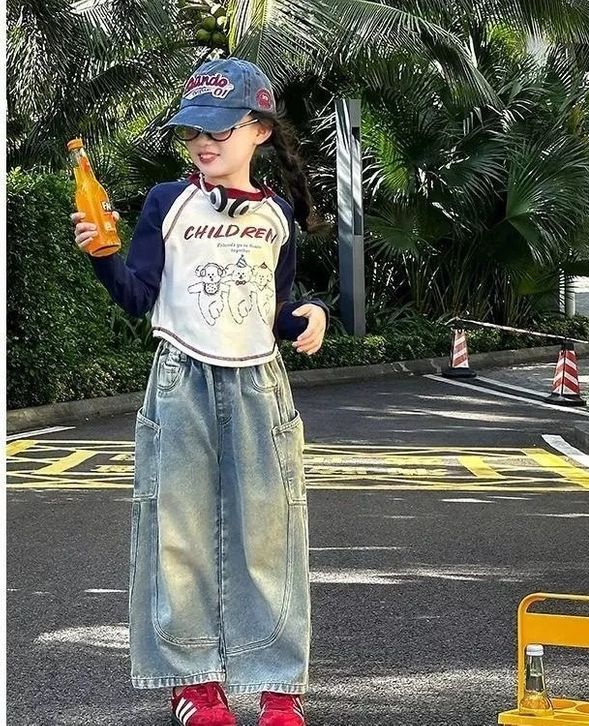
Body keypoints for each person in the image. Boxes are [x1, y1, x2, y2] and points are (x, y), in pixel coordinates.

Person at [71, 58, 328, 726]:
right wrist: (102, 256)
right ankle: (194, 684)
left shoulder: (277, 217)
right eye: (193, 132)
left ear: (260, 131)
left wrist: (309, 315)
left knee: (271, 533)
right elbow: (139, 296)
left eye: (219, 130)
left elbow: (275, 309)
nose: (203, 143)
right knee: (177, 532)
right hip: (181, 377)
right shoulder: (168, 202)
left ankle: (278, 689)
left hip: (259, 385)